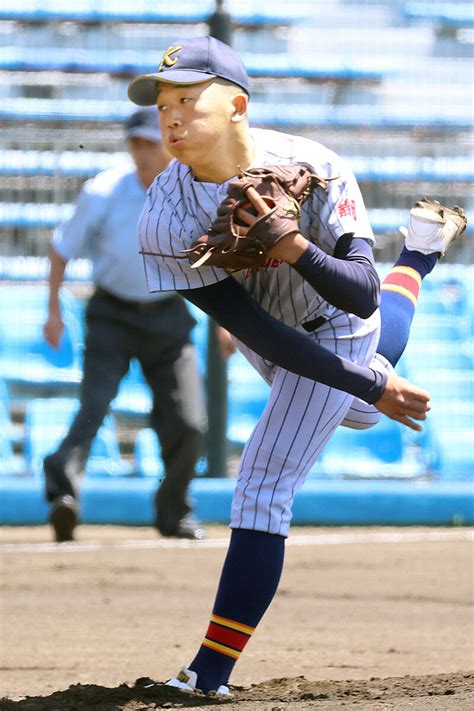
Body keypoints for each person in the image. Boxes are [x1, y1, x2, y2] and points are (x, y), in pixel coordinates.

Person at [127, 37, 467, 695]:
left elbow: (361, 292)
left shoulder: (318, 163)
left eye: (189, 101)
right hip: (272, 332)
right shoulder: (163, 217)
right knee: (365, 412)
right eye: (164, 103)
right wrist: (372, 380)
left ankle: (209, 673)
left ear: (237, 106)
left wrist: (293, 246)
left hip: (338, 317)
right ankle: (420, 256)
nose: (171, 118)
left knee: (261, 481)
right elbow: (256, 331)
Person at [42, 107, 207, 543]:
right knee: (94, 405)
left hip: (170, 313)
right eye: (135, 143)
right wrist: (54, 312)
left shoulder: (193, 193)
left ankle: (174, 512)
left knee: (189, 421)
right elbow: (61, 250)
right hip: (111, 313)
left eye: (149, 143)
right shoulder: (103, 191)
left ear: (171, 146)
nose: (141, 152)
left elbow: (215, 264)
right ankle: (64, 491)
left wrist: (225, 327)